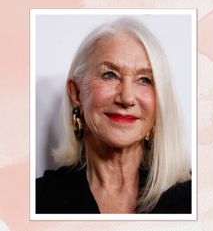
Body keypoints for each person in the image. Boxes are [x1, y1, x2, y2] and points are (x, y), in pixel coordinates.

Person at [36, 18, 192, 214]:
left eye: (144, 79)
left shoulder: (198, 199)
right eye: (110, 75)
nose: (127, 98)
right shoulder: (36, 201)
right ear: (76, 93)